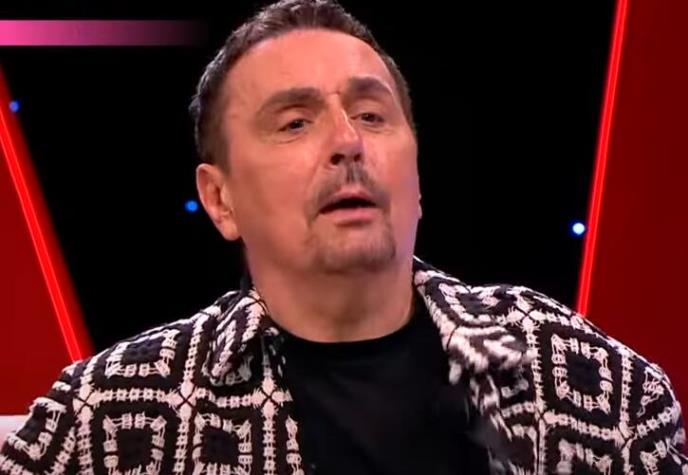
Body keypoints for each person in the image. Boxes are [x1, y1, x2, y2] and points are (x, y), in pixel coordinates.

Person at [1, 0, 686, 473]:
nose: (348, 142)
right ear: (220, 199)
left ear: (417, 175)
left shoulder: (588, 381)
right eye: (295, 122)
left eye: (372, 114)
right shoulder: (114, 417)